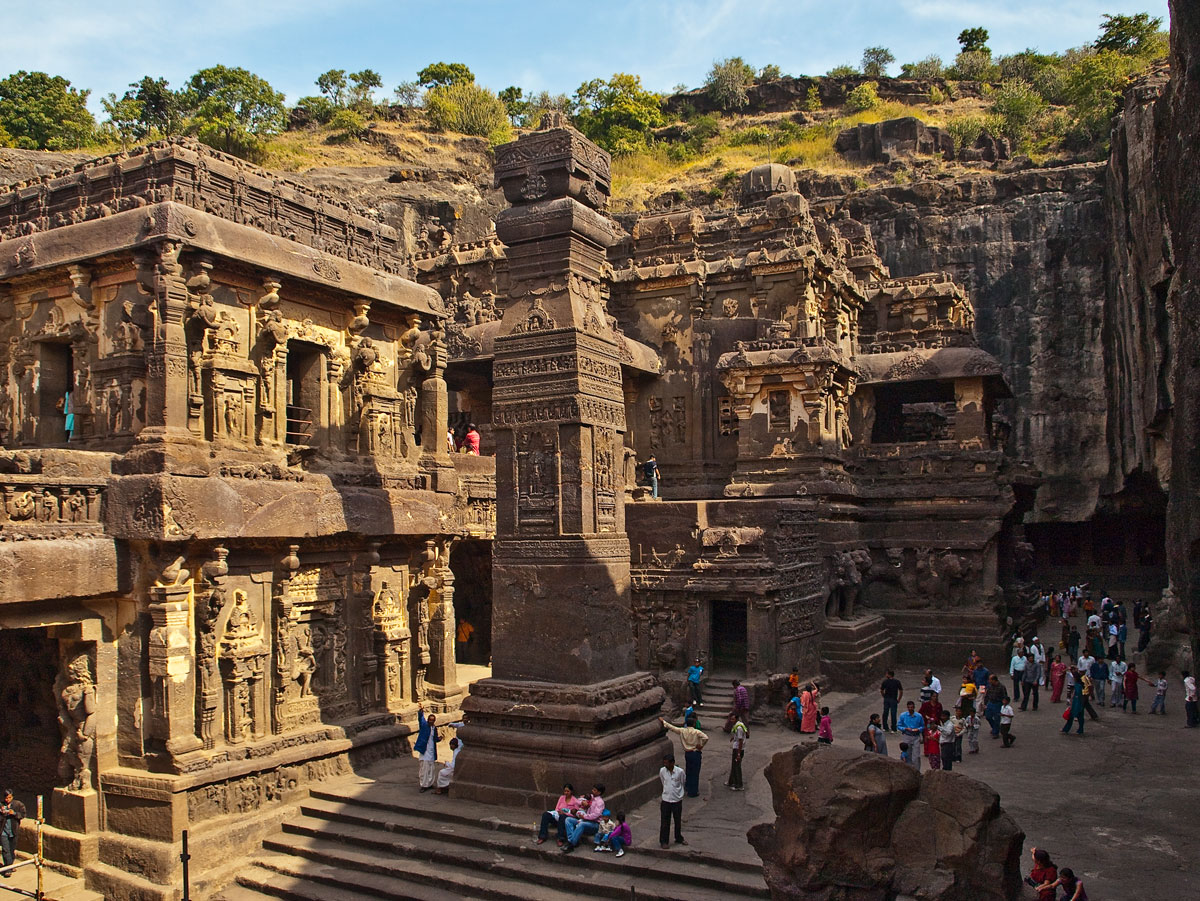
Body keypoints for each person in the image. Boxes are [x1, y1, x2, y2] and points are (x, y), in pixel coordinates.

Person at [660, 714, 708, 798]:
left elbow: (672, 727)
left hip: (687, 753)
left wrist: (663, 722)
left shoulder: (682, 731)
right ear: (694, 724)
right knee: (695, 772)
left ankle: (688, 786)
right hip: (695, 752)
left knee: (689, 770)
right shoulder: (697, 732)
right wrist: (700, 745)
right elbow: (705, 737)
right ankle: (693, 791)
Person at [561, 784, 606, 853]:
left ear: (599, 792)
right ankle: (572, 840)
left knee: (582, 824)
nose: (592, 791)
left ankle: (571, 845)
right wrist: (582, 802)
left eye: (594, 790)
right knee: (568, 820)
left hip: (595, 824)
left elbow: (595, 815)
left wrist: (584, 817)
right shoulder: (590, 797)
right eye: (593, 789)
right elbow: (577, 800)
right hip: (584, 820)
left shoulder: (600, 802)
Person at [658, 756, 687, 849]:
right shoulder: (662, 771)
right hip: (666, 799)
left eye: (667, 763)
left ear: (672, 763)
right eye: (664, 763)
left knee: (677, 820)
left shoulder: (680, 772)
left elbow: (683, 782)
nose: (665, 765)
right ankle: (664, 841)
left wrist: (679, 794)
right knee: (665, 822)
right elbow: (663, 781)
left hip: (676, 800)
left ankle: (678, 837)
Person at [414, 704, 441, 791]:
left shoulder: (434, 728)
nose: (431, 722)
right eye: (430, 720)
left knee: (431, 768)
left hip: (431, 751)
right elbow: (420, 718)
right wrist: (421, 711)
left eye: (432, 721)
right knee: (424, 769)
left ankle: (429, 783)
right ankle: (423, 785)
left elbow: (435, 739)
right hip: (424, 751)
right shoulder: (424, 725)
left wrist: (439, 739)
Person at [0, 790, 25, 879]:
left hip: (14, 831)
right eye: (6, 798)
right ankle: (8, 869)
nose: (7, 799)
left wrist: (14, 813)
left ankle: (10, 864)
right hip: (3, 831)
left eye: (9, 797)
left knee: (11, 849)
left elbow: (22, 814)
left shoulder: (18, 804)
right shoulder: (1, 805)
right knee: (5, 849)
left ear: (12, 797)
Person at [897, 701, 925, 772]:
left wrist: (918, 729)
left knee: (916, 756)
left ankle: (917, 771)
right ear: (907, 707)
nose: (910, 709)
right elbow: (899, 726)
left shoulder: (919, 716)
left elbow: (922, 726)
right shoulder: (903, 715)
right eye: (909, 707)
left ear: (914, 707)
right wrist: (905, 728)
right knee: (907, 754)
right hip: (907, 735)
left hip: (916, 736)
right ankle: (908, 770)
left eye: (912, 707)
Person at [726, 713, 748, 790]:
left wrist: (738, 753)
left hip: (738, 749)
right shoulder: (739, 725)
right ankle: (731, 781)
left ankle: (739, 784)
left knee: (737, 767)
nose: (731, 721)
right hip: (737, 747)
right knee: (734, 765)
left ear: (736, 719)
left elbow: (740, 740)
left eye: (733, 719)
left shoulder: (739, 728)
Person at [1062, 667, 1086, 735]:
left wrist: (1072, 704)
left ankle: (1066, 729)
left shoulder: (1077, 686)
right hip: (1079, 703)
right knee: (1080, 717)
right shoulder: (1079, 685)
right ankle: (1080, 729)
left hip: (1076, 703)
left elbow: (1076, 696)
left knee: (1071, 716)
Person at [983, 674, 1005, 739]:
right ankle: (995, 727)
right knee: (988, 716)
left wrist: (1004, 705)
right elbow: (987, 695)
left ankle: (996, 732)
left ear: (994, 680)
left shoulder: (1001, 687)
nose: (989, 681)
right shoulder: (990, 686)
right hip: (990, 702)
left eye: (990, 679)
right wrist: (985, 704)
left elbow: (1004, 696)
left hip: (998, 703)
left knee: (997, 718)